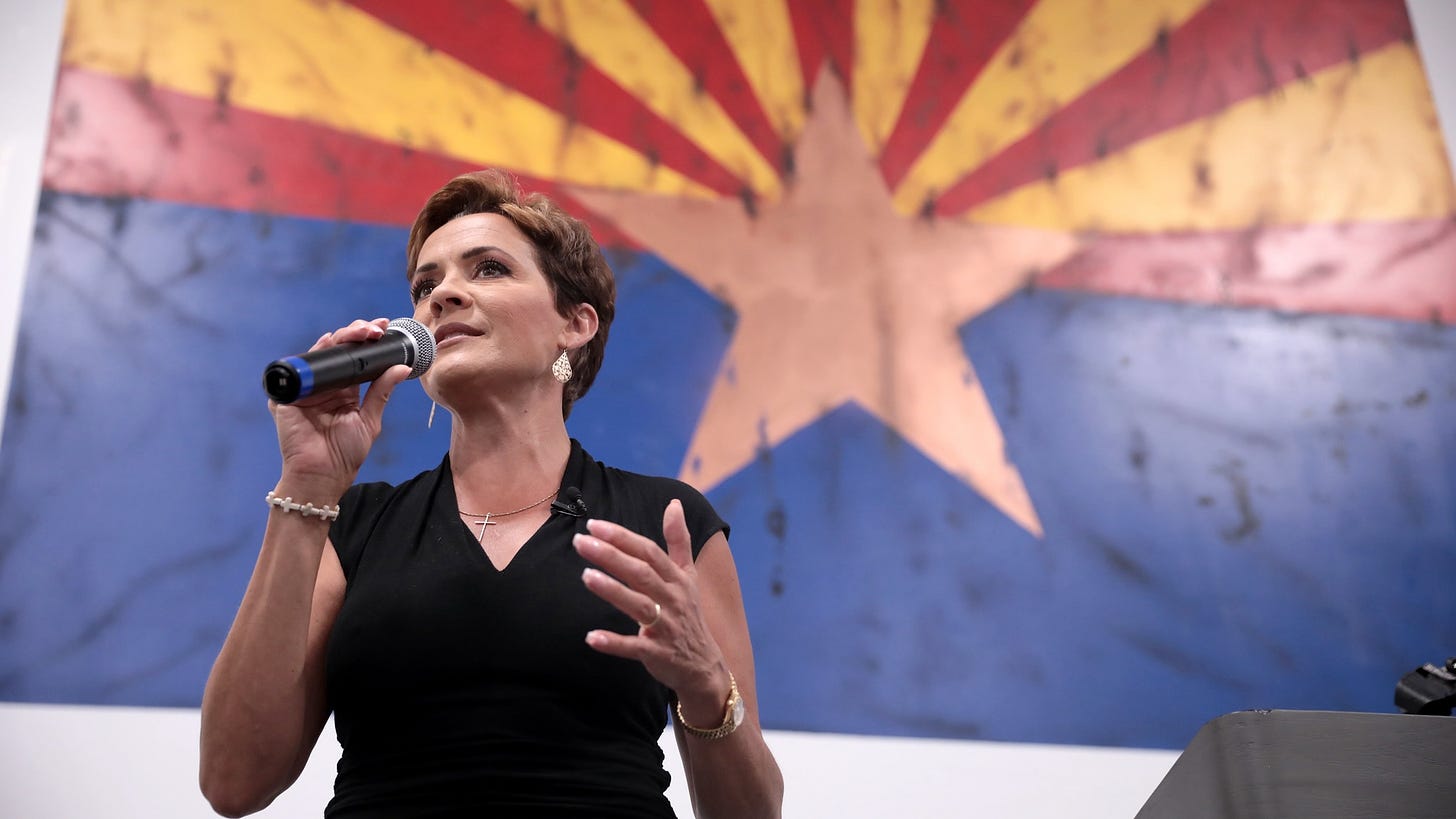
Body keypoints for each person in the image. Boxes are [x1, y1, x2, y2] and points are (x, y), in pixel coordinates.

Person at [199, 169, 784, 817]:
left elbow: (751, 814)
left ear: (575, 323)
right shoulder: (354, 527)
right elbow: (232, 781)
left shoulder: (667, 524)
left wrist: (705, 681)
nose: (443, 294)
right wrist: (307, 486)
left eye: (489, 269)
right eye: (426, 284)